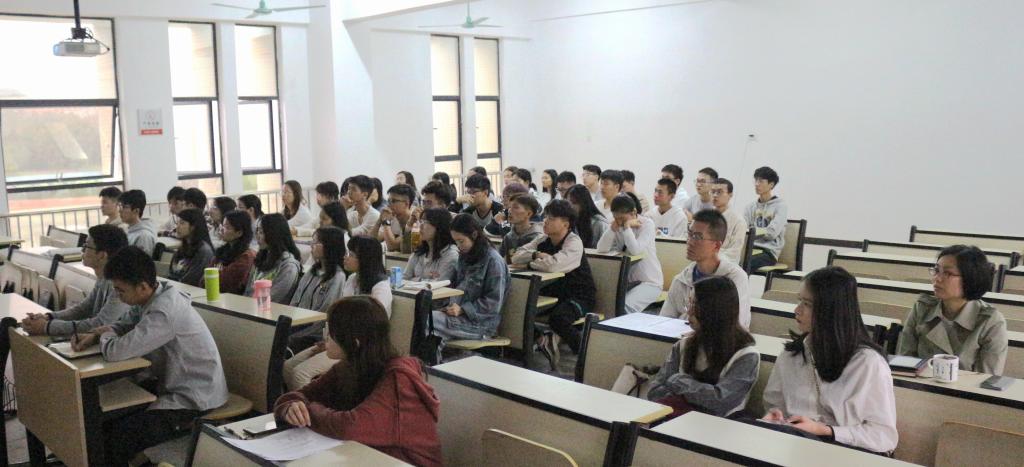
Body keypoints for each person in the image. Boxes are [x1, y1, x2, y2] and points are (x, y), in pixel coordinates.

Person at [72, 247, 228, 466]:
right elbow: (125, 323)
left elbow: (116, 352)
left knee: (119, 435)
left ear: (143, 286)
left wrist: (104, 334)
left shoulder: (164, 312)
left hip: (194, 397)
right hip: (172, 384)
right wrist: (100, 334)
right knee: (104, 421)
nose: (118, 295)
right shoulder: (151, 296)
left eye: (121, 290)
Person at [274, 296, 442, 467]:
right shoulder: (347, 368)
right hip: (368, 458)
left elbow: (350, 427)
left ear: (355, 343)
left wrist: (309, 410)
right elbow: (296, 396)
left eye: (331, 333)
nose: (326, 339)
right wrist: (290, 407)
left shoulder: (399, 378)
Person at [761, 267, 898, 454]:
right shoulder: (791, 354)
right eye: (799, 301)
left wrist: (826, 431)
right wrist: (776, 416)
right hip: (794, 447)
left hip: (844, 454)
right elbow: (774, 404)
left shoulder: (868, 363)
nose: (797, 310)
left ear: (831, 310)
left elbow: (884, 437)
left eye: (807, 304)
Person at [648, 277, 759, 417]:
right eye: (689, 304)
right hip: (673, 421)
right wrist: (698, 395)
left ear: (715, 310)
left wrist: (679, 381)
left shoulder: (746, 356)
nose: (688, 312)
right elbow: (655, 391)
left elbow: (720, 401)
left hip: (718, 427)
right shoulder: (683, 346)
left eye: (695, 305)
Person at [897, 245, 1008, 375]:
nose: (937, 278)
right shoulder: (922, 309)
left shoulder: (991, 322)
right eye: (936, 270)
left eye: (948, 273)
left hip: (964, 388)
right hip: (918, 385)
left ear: (970, 279)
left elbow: (986, 379)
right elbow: (905, 363)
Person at [511, 200, 596, 361]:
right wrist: (536, 255)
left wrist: (529, 264)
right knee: (518, 309)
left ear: (565, 224)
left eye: (551, 218)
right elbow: (516, 256)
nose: (545, 221)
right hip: (554, 295)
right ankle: (542, 339)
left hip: (579, 296)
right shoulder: (543, 239)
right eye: (545, 217)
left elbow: (554, 266)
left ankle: (585, 357)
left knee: (559, 319)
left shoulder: (574, 242)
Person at [21, 224, 130, 336]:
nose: (82, 250)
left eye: (86, 246)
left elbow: (100, 324)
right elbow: (83, 309)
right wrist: (49, 317)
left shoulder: (120, 286)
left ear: (102, 255)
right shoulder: (103, 278)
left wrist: (46, 327)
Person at [283, 227, 350, 389]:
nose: (311, 245)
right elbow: (295, 302)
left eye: (316, 242)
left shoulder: (338, 277)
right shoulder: (311, 272)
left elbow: (324, 314)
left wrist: (295, 332)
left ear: (330, 246)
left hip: (314, 333)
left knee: (283, 346)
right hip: (298, 326)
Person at [659, 210, 751, 329]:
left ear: (716, 245)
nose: (690, 242)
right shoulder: (682, 279)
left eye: (697, 237)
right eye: (690, 234)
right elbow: (663, 322)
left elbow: (737, 325)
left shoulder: (735, 279)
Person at [430, 214, 510, 346]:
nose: (458, 246)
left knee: (428, 321)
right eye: (455, 242)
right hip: (457, 316)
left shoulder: (494, 261)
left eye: (461, 241)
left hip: (481, 324)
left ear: (474, 235)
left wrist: (462, 309)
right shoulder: (465, 256)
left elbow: (493, 303)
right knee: (427, 327)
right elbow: (456, 287)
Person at [597, 195, 663, 314]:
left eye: (622, 218)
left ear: (634, 212)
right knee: (606, 304)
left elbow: (635, 250)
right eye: (616, 218)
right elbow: (601, 249)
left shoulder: (647, 224)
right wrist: (612, 229)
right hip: (626, 283)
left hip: (649, 282)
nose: (619, 222)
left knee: (624, 306)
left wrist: (626, 227)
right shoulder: (617, 224)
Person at [244, 213, 302, 304]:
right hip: (250, 307)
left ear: (274, 234)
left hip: (270, 310)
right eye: (257, 231)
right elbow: (247, 291)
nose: (257, 236)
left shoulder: (289, 266)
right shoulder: (261, 258)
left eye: (261, 232)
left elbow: (273, 298)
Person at [745, 166, 788, 270]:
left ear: (771, 184)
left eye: (761, 181)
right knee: (728, 260)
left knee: (744, 262)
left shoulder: (780, 206)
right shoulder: (750, 207)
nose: (756, 184)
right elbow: (743, 229)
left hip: (768, 252)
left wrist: (752, 232)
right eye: (756, 180)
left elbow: (771, 233)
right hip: (749, 248)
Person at [404, 208, 459, 282]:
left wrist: (414, 280)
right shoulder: (419, 252)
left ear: (439, 226)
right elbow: (404, 279)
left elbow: (440, 283)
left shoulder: (450, 254)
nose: (421, 226)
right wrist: (425, 280)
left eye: (425, 222)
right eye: (421, 221)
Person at [167, 208, 215, 287]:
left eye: (182, 223)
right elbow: (171, 272)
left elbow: (190, 280)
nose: (177, 227)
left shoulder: (204, 251)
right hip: (176, 287)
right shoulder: (183, 247)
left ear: (193, 227)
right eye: (177, 223)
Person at [211, 210, 256, 295]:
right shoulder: (221, 251)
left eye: (227, 227)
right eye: (222, 225)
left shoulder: (246, 257)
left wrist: (212, 278)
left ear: (239, 233)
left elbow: (226, 283)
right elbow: (204, 279)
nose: (222, 229)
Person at [710, 178, 748, 264]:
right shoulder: (704, 217)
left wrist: (710, 257)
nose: (715, 195)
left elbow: (734, 253)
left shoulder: (738, 221)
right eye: (712, 192)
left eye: (719, 192)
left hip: (724, 264)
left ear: (730, 195)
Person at [371, 184, 416, 253]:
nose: (389, 204)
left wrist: (386, 222)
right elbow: (371, 240)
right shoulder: (393, 217)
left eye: (393, 201)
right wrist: (379, 220)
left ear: (406, 203)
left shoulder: (414, 220)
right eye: (388, 201)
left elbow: (392, 247)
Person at [500, 194, 543, 261]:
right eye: (509, 207)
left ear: (528, 214)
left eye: (515, 207)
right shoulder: (508, 237)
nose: (509, 211)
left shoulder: (538, 238)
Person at [565, 184, 609, 249]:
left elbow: (606, 248)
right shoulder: (568, 221)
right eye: (567, 203)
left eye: (573, 202)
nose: (570, 206)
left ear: (583, 203)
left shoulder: (599, 223)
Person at [119, 189, 158, 257]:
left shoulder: (144, 236)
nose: (120, 210)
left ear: (136, 211)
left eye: (124, 207)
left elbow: (141, 262)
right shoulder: (129, 229)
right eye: (120, 206)